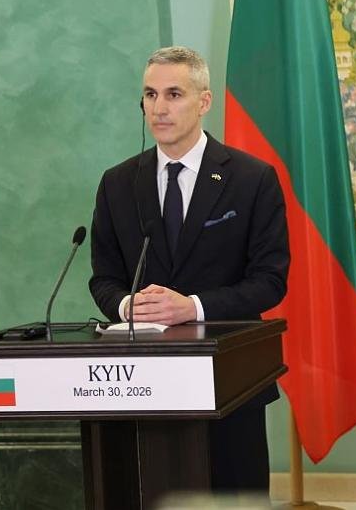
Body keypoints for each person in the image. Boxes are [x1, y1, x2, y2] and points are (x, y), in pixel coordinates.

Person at [89, 45, 289, 496]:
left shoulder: (252, 178)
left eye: (174, 94)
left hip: (229, 378)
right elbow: (103, 278)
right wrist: (127, 306)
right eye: (150, 94)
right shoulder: (117, 183)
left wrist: (193, 307)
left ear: (204, 101)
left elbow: (270, 281)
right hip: (141, 383)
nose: (158, 108)